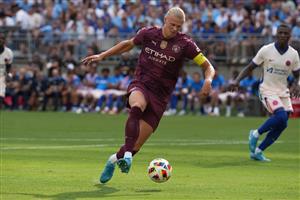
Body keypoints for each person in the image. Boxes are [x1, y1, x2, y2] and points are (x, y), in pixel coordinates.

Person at [82, 7, 215, 183]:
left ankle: (113, 160)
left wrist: (208, 81)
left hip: (160, 97)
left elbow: (207, 66)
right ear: (165, 19)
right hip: (141, 84)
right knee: (137, 106)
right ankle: (127, 154)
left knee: (136, 146)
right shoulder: (148, 33)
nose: (175, 28)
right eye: (172, 24)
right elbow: (128, 44)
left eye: (179, 26)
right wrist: (102, 55)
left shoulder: (185, 44)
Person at [232, 24, 300, 162]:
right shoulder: (266, 50)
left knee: (283, 124)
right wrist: (237, 80)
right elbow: (250, 67)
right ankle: (255, 134)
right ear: (276, 34)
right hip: (267, 90)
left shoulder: (293, 54)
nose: (282, 35)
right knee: (280, 115)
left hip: (283, 91)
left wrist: (298, 85)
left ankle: (258, 151)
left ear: (289, 36)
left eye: (285, 33)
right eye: (280, 32)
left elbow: (298, 74)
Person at [0, 32, 13, 109]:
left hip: (1, 75)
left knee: (1, 94)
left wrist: (8, 74)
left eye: (2, 38)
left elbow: (9, 65)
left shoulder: (9, 52)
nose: (0, 40)